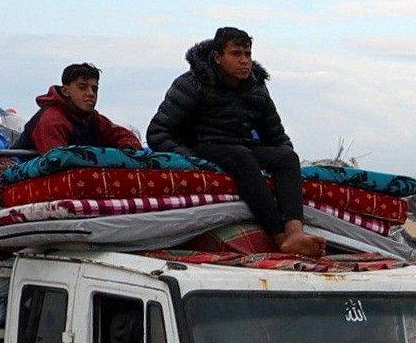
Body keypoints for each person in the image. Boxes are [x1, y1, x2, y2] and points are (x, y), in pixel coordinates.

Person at [146, 27, 323, 257]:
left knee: (287, 157)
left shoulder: (256, 87)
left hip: (240, 144)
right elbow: (158, 132)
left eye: (247, 54)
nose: (244, 61)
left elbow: (276, 136)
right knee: (242, 157)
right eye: (236, 54)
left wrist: (283, 170)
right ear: (218, 57)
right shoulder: (192, 84)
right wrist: (190, 159)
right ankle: (280, 238)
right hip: (203, 144)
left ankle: (294, 232)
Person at [25, 64, 143, 153]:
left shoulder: (93, 119)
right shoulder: (51, 120)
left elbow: (124, 136)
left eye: (94, 89)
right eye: (83, 87)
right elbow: (55, 161)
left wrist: (128, 152)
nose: (91, 93)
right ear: (66, 91)